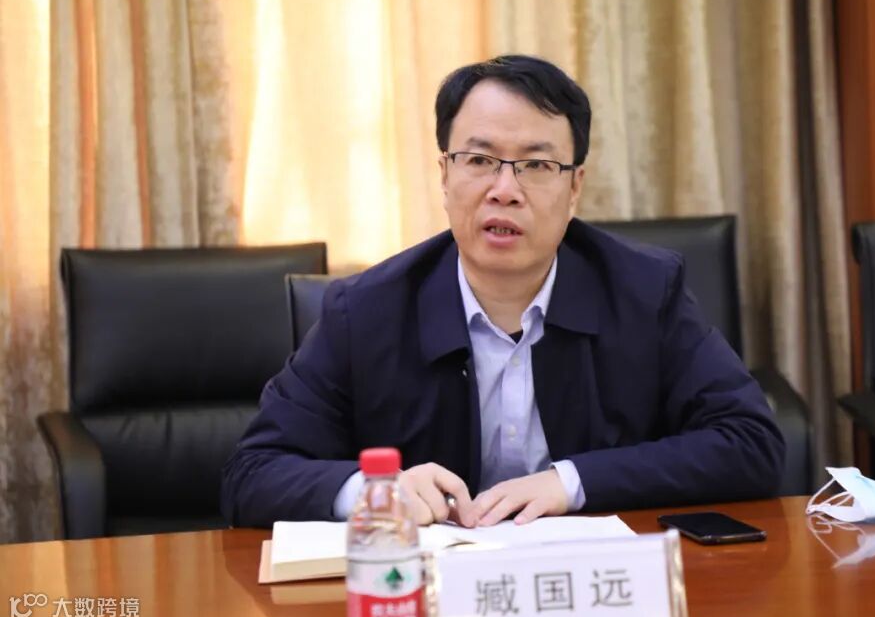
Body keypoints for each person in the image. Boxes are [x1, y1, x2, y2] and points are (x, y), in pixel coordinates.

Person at [221, 55, 784, 529]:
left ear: (574, 187)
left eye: (536, 165)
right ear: (445, 175)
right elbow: (252, 474)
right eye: (480, 160)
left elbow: (751, 442)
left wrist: (571, 482)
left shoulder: (644, 291)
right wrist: (377, 492)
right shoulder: (366, 311)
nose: (505, 190)